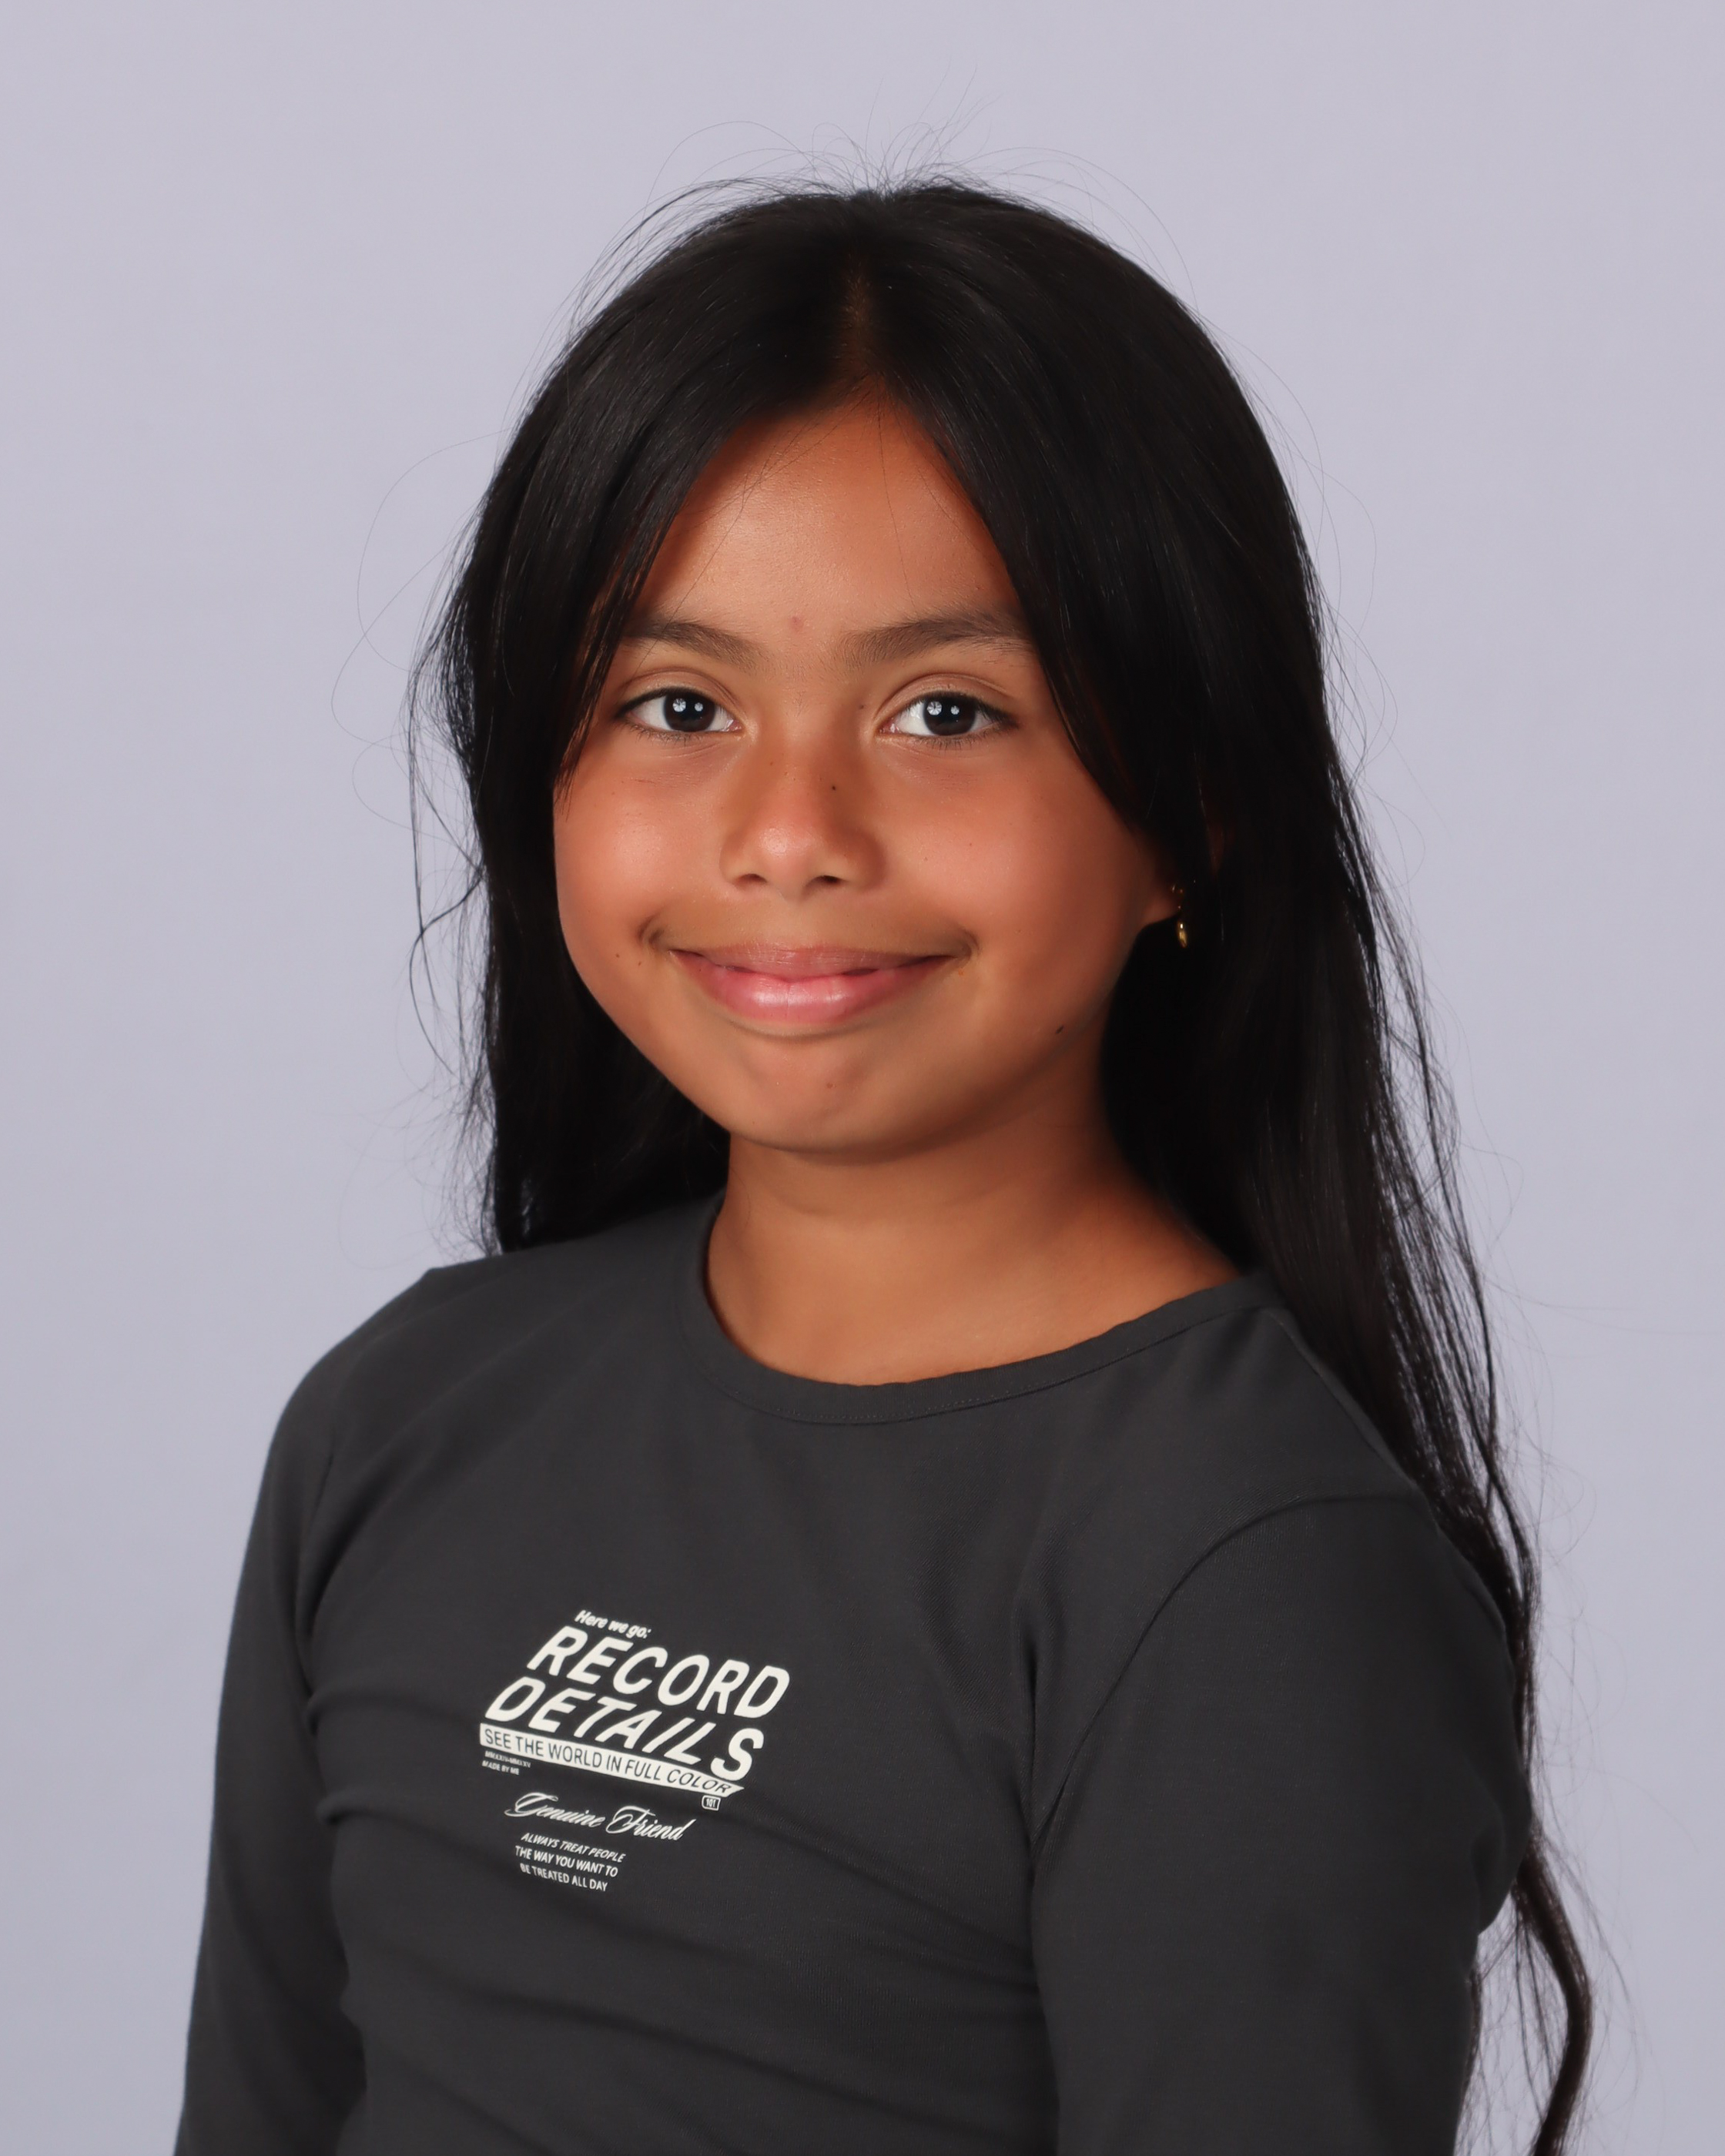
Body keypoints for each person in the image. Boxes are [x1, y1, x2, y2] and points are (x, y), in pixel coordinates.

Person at [174, 180, 1591, 2155]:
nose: (790, 830)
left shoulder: (1240, 1569)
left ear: (1189, 812)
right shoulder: (400, 1417)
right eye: (677, 704)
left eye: (946, 711)